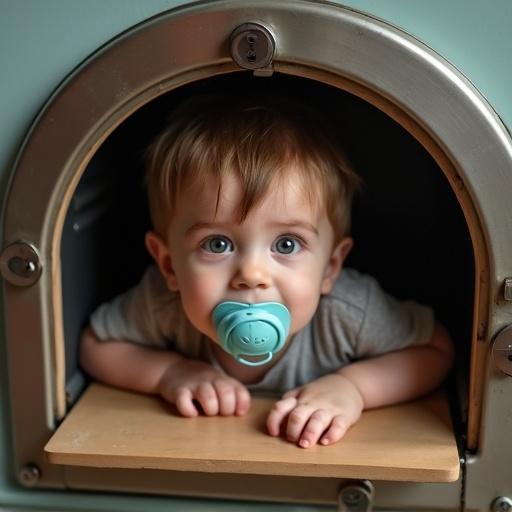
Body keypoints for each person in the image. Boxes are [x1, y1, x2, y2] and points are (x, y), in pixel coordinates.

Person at [80, 94, 454, 449]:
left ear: (331, 267)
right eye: (217, 244)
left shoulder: (348, 311)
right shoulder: (163, 303)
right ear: (168, 265)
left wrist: (353, 388)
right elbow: (96, 344)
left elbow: (435, 348)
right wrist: (168, 373)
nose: (252, 273)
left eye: (287, 244)